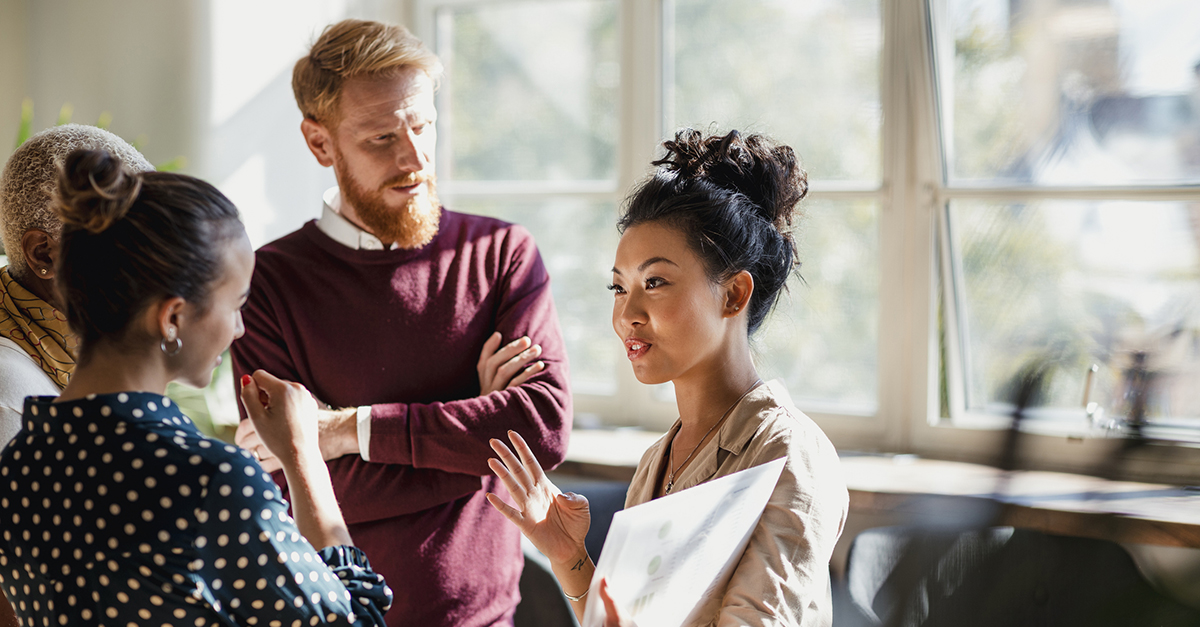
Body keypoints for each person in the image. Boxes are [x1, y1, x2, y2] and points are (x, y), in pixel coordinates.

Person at [230, 19, 571, 627]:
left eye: (422, 125)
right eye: (382, 138)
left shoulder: (501, 255)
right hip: (340, 617)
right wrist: (475, 440)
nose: (413, 157)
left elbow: (541, 431)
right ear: (321, 144)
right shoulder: (266, 284)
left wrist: (339, 432)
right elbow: (288, 487)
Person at [0, 149, 392, 627]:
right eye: (236, 305)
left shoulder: (18, 465)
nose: (241, 329)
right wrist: (302, 454)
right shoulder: (207, 481)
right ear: (173, 317)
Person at [488, 130, 849, 626]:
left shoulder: (788, 453)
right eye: (618, 287)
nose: (627, 314)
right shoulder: (657, 461)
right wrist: (569, 556)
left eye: (654, 282)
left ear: (733, 295)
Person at [0, 124, 154, 444]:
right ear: (44, 254)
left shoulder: (80, 353)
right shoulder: (11, 397)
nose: (152, 266)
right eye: (128, 243)